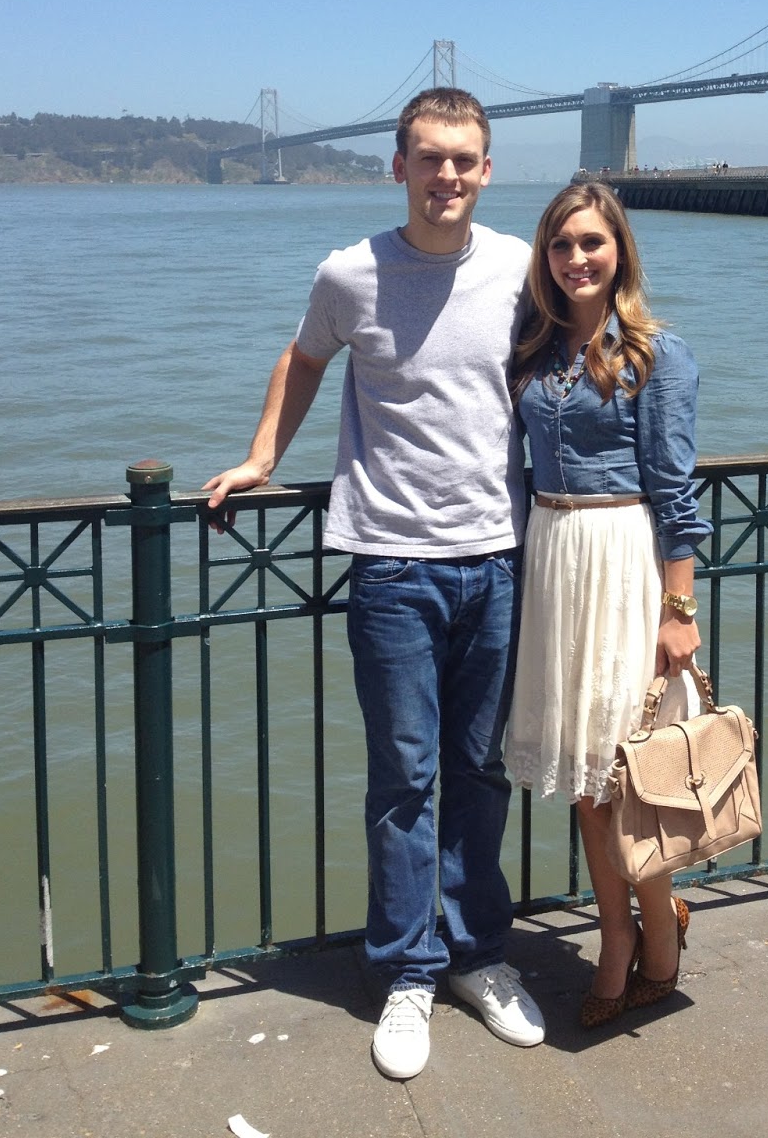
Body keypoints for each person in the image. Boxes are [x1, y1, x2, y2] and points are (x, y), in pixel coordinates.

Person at [203, 87, 544, 1081]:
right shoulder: (348, 272)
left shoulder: (521, 268)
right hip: (391, 562)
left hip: (500, 557)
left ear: (488, 170)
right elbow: (305, 358)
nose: (447, 174)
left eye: (464, 159)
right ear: (398, 166)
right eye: (430, 157)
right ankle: (406, 970)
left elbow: (572, 367)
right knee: (404, 780)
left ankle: (478, 955)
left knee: (481, 770)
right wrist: (262, 457)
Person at [504, 181, 710, 1029]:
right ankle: (616, 933)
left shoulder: (656, 354)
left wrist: (679, 610)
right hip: (554, 560)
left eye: (592, 242)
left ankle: (654, 940)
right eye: (561, 244)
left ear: (620, 250)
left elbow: (676, 491)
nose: (576, 258)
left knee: (632, 776)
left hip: (623, 560)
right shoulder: (534, 349)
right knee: (588, 783)